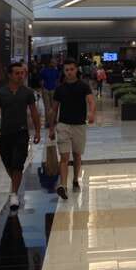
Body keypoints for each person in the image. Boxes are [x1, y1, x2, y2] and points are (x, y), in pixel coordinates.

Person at [0, 63, 41, 211]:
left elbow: (34, 112)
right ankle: (15, 184)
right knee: (8, 163)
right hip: (5, 133)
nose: (20, 76)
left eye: (22, 73)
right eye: (17, 73)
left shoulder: (27, 92)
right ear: (10, 75)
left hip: (21, 133)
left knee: (18, 163)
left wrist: (37, 131)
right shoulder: (0, 93)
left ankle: (13, 194)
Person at [49, 58, 96, 201]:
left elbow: (91, 101)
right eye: (67, 70)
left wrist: (92, 113)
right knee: (64, 157)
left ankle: (75, 179)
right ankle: (63, 185)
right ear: (64, 72)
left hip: (79, 126)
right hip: (63, 126)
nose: (69, 72)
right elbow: (54, 109)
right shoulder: (60, 89)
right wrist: (51, 128)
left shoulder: (83, 86)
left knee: (77, 155)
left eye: (72, 69)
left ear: (76, 70)